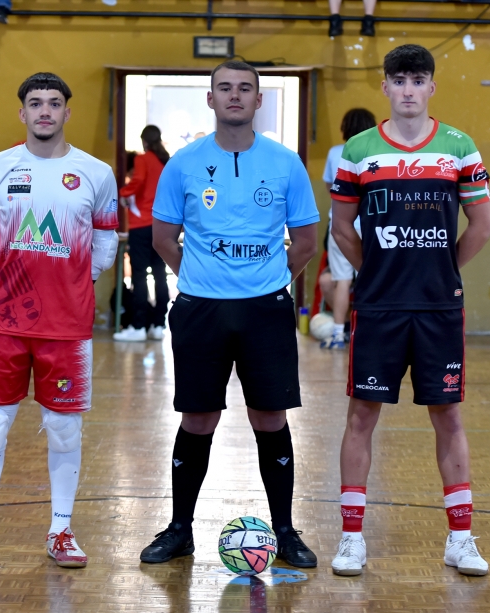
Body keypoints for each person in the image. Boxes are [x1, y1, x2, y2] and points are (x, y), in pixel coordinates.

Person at [140, 60, 320, 568]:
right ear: (210, 99)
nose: (234, 95)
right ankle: (180, 530)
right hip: (201, 311)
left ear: (259, 100)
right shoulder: (183, 164)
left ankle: (285, 531)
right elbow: (163, 238)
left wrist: (268, 281)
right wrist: (202, 278)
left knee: (270, 417)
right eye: (225, 88)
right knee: (198, 418)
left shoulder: (286, 163)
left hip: (266, 310)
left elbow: (306, 242)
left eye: (245, 89)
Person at [329, 44, 490, 577]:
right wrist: (377, 270)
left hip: (438, 308)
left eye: (417, 80)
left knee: (448, 415)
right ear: (385, 87)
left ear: (431, 87)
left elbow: (482, 226)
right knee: (361, 415)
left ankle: (461, 539)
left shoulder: (459, 147)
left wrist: (443, 270)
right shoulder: (358, 150)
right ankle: (351, 539)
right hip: (379, 307)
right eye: (398, 80)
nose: (407, 90)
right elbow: (341, 227)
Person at [0, 72, 119, 569]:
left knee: (65, 429)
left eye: (53, 103)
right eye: (35, 103)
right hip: (4, 322)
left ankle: (61, 531)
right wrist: (8, 283)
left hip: (66, 328)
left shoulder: (96, 173)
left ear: (67, 112)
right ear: (22, 112)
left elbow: (105, 244)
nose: (44, 110)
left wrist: (71, 286)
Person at [320, 108, 376, 350]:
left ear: (345, 128)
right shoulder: (376, 152)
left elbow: (330, 187)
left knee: (342, 280)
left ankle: (337, 335)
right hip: (371, 225)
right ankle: (371, 332)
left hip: (342, 225)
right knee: (372, 278)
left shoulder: (335, 153)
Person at [114, 126, 171, 342]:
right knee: (159, 273)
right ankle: (158, 325)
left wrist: (123, 193)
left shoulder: (143, 159)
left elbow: (137, 182)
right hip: (161, 225)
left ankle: (138, 327)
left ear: (143, 141)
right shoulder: (165, 161)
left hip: (141, 225)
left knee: (139, 274)